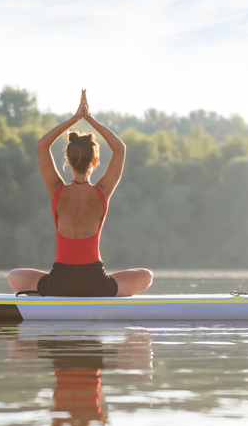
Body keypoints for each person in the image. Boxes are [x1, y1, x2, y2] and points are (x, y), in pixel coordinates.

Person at [8, 90, 153, 297]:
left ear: (67, 161)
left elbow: (42, 145)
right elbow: (120, 149)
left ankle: (42, 294)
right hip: (97, 284)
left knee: (14, 276)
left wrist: (74, 119)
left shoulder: (57, 190)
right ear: (95, 162)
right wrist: (90, 119)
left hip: (58, 283)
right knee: (146, 276)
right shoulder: (102, 192)